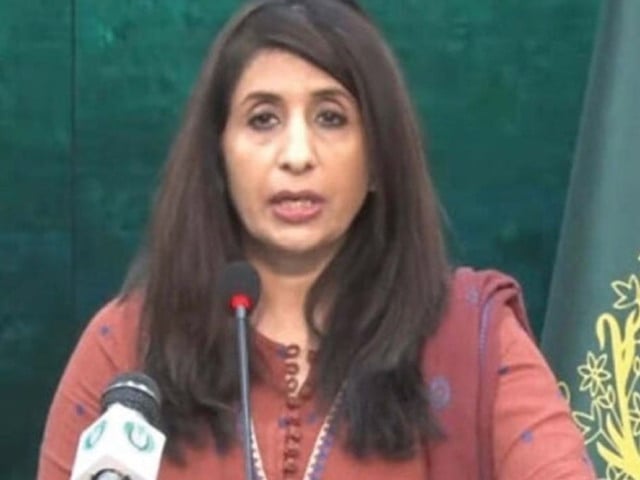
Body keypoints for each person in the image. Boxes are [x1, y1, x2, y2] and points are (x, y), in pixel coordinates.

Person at [37, 0, 597, 478]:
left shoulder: (471, 338)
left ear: (378, 159)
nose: (297, 155)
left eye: (331, 118)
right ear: (218, 156)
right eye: (263, 119)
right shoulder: (127, 344)